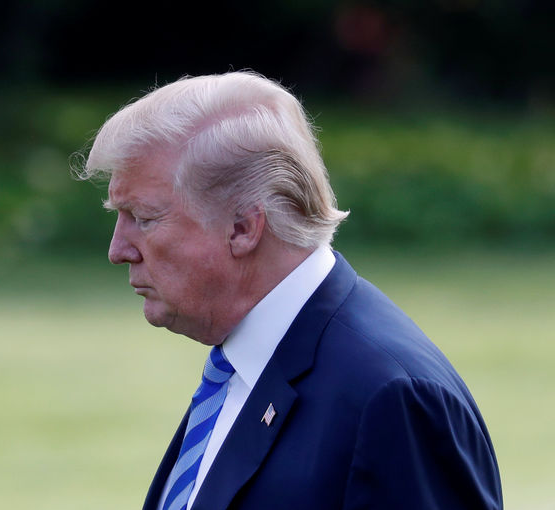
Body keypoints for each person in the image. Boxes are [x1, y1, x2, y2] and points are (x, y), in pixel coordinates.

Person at [73, 71, 502, 510]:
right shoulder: (243, 363)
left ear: (243, 228)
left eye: (142, 218)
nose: (118, 250)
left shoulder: (392, 399)